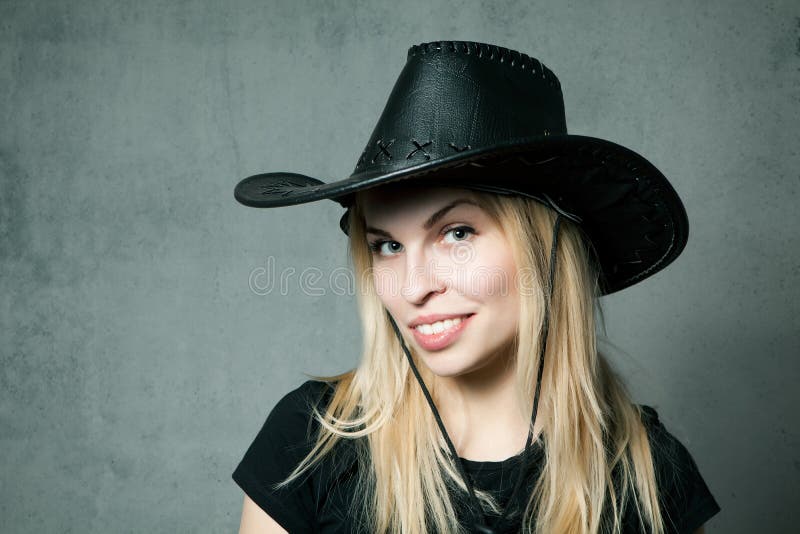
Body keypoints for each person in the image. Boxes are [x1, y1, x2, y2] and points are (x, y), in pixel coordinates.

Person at [231, 41, 721, 533]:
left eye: (457, 233)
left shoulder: (649, 473)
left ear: (545, 248)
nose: (414, 287)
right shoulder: (311, 442)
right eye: (387, 246)